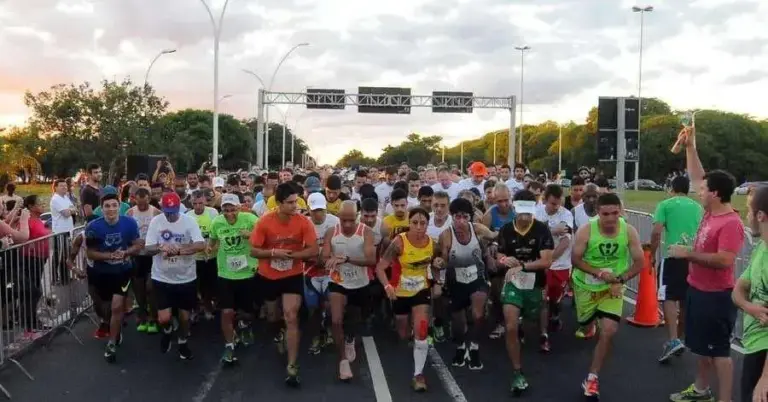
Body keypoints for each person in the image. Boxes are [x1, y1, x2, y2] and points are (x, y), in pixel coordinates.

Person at [669, 126, 745, 402]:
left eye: (703, 190)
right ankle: (701, 390)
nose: (698, 191)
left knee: (720, 353)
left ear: (714, 193)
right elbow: (697, 175)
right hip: (698, 290)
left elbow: (725, 260)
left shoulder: (730, 222)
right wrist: (690, 147)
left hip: (716, 297)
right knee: (702, 348)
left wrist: (688, 254)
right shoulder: (710, 211)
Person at [571, 192, 645, 398]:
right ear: (598, 213)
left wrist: (620, 280)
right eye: (606, 214)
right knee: (585, 324)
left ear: (620, 211)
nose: (611, 218)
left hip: (612, 287)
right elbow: (575, 259)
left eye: (615, 213)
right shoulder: (586, 231)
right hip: (586, 285)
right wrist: (599, 273)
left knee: (609, 330)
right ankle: (588, 324)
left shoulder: (628, 231)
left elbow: (640, 262)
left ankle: (592, 378)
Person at [250, 183, 318, 386]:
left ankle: (292, 365)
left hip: (292, 274)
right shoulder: (265, 222)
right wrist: (273, 253)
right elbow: (253, 251)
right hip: (269, 276)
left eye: (296, 201)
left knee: (291, 316)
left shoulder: (303, 222)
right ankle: (278, 333)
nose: (295, 206)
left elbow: (313, 250)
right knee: (273, 317)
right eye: (289, 203)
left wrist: (293, 256)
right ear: (278, 204)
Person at [494, 191, 554, 394]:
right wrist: (504, 260)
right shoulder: (506, 230)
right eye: (521, 212)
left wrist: (523, 266)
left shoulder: (541, 230)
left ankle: (529, 326)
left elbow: (547, 260)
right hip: (513, 283)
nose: (525, 217)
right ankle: (517, 372)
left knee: (531, 319)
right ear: (515, 209)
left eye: (529, 212)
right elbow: (500, 254)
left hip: (534, 284)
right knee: (510, 325)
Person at [376, 207, 434, 392]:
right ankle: (410, 334)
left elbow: (436, 264)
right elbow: (380, 267)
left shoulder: (432, 243)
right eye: (415, 223)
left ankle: (418, 375)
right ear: (409, 223)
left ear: (427, 224)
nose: (418, 227)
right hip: (399, 292)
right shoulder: (399, 243)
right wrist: (387, 286)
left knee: (422, 330)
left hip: (421, 291)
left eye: (423, 223)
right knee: (402, 332)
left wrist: (438, 269)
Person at [144, 192, 205, 360]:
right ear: (162, 208)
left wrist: (180, 250)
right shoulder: (156, 222)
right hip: (162, 276)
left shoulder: (189, 221)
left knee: (185, 318)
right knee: (164, 318)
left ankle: (183, 341)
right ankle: (167, 330)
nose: (170, 215)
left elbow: (200, 244)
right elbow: (148, 248)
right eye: (167, 211)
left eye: (174, 211)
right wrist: (161, 248)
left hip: (186, 277)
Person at [650, 175, 703, 363]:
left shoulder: (665, 204)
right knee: (685, 298)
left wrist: (652, 254)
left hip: (672, 256)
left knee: (668, 296)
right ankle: (679, 338)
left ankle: (673, 340)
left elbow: (656, 232)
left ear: (672, 188)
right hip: (692, 257)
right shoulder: (698, 207)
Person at [84, 192, 142, 363]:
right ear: (101, 209)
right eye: (107, 206)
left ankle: (111, 343)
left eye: (114, 205)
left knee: (117, 308)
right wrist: (110, 256)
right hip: (100, 273)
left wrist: (125, 253)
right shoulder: (94, 227)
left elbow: (138, 244)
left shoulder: (129, 223)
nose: (111, 209)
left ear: (119, 207)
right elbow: (90, 253)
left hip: (122, 271)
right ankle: (109, 324)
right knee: (103, 308)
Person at [434, 197, 490, 370]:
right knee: (458, 323)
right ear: (452, 217)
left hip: (477, 278)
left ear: (470, 217)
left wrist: (494, 247)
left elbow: (497, 236)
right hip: (455, 282)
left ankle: (474, 347)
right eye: (457, 217)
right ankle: (460, 346)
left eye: (465, 217)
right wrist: (439, 264)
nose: (461, 221)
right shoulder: (446, 235)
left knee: (477, 314)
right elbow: (442, 260)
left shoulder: (478, 229)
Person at [324, 201, 376, 381]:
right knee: (336, 320)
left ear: (358, 216)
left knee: (355, 320)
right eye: (343, 220)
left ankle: (350, 338)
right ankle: (343, 361)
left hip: (360, 284)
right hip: (338, 282)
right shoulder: (332, 232)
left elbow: (371, 260)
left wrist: (346, 259)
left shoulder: (366, 232)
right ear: (338, 217)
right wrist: (331, 259)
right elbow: (324, 257)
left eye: (351, 220)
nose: (347, 224)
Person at [209, 193, 258, 365]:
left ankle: (245, 326)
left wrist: (251, 235)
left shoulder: (250, 219)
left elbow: (264, 239)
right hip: (225, 273)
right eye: (225, 210)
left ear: (239, 208)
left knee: (247, 312)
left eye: (233, 209)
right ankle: (229, 345)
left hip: (247, 272)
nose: (229, 213)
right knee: (227, 311)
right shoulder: (217, 222)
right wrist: (209, 249)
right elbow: (212, 242)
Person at [732, 185, 768, 402]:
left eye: (748, 211)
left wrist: (765, 377)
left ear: (761, 216)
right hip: (754, 345)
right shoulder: (761, 247)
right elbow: (738, 289)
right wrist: (749, 307)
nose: (747, 216)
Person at [535, 184, 574, 334]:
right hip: (540, 262)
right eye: (552, 204)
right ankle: (542, 330)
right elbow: (534, 234)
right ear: (545, 200)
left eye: (558, 203)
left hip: (560, 263)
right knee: (542, 296)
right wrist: (552, 230)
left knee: (555, 296)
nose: (556, 207)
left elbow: (565, 241)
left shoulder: (566, 215)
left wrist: (550, 259)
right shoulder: (537, 213)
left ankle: (555, 313)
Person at [305, 193, 340, 355]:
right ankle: (316, 335)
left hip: (330, 271)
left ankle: (328, 328)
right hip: (310, 271)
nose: (318, 214)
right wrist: (315, 259)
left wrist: (329, 258)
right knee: (312, 305)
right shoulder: (303, 223)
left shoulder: (335, 222)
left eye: (321, 210)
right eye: (314, 211)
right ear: (308, 210)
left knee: (330, 303)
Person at [126, 188, 161, 333]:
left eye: (144, 203)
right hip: (137, 256)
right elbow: (126, 233)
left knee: (150, 287)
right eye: (138, 203)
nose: (141, 206)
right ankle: (142, 313)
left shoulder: (156, 212)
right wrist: (133, 243)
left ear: (149, 198)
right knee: (138, 288)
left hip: (152, 255)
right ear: (135, 200)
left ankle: (153, 317)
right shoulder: (130, 213)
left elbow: (163, 232)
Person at [185, 190, 219, 321]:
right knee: (195, 285)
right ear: (191, 202)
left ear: (205, 201)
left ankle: (208, 307)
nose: (198, 206)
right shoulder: (188, 215)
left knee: (209, 284)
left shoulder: (213, 212)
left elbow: (216, 232)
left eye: (200, 203)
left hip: (210, 255)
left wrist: (211, 247)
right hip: (195, 257)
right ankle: (195, 308)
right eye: (195, 203)